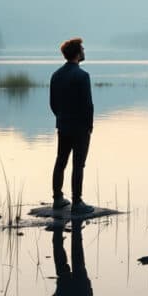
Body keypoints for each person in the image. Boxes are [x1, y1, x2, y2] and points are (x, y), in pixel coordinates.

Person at [49, 37, 95, 214]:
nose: (84, 51)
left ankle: (58, 199)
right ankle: (77, 202)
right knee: (78, 164)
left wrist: (61, 118)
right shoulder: (82, 76)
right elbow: (87, 104)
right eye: (82, 49)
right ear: (77, 53)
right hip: (80, 128)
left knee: (60, 161)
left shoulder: (56, 75)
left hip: (63, 125)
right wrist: (89, 125)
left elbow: (53, 104)